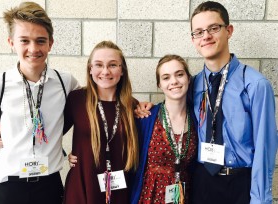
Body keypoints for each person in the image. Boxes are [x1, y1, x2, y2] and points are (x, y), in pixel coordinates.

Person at [0, 2, 79, 204]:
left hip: (49, 185)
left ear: (51, 43)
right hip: (9, 187)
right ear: (11, 42)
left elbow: (96, 102)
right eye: (24, 40)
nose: (33, 48)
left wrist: (134, 105)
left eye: (40, 41)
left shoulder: (65, 82)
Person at [189, 1, 277, 204]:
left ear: (229, 30)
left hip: (239, 184)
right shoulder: (192, 85)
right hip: (202, 182)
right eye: (199, 32)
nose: (206, 36)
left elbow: (264, 150)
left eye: (213, 28)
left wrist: (260, 200)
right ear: (193, 40)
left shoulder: (255, 85)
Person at [62, 40, 139, 204]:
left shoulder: (132, 105)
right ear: (90, 69)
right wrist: (62, 154)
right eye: (98, 65)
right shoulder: (76, 99)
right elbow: (50, 133)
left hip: (120, 189)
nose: (105, 71)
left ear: (122, 70)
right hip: (83, 187)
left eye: (112, 65)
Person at [130, 55, 198, 204]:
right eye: (166, 77)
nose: (174, 81)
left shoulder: (198, 119)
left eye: (179, 74)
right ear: (159, 85)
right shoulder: (145, 118)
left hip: (182, 196)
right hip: (149, 196)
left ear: (188, 78)